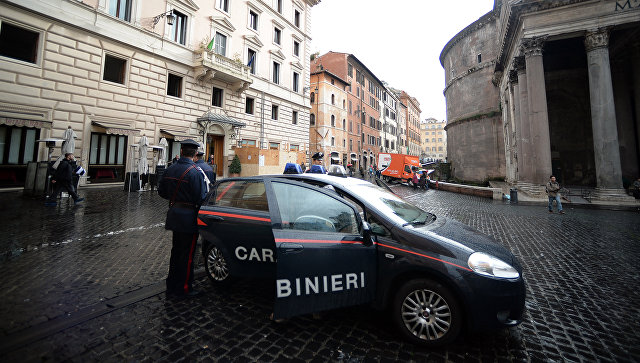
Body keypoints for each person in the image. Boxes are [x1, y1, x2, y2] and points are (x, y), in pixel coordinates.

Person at [158, 139, 208, 297]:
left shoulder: (170, 169)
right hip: (189, 218)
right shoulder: (195, 171)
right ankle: (184, 288)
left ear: (181, 152)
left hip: (174, 214)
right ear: (194, 154)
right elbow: (201, 198)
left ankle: (171, 285)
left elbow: (161, 192)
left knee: (176, 252)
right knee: (187, 256)